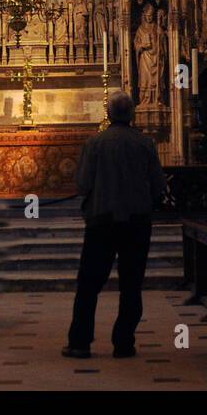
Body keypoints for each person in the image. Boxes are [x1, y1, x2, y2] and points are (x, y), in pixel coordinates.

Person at [64, 91, 169, 359]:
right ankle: (124, 343)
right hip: (136, 222)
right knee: (131, 284)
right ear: (132, 114)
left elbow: (83, 184)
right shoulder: (145, 144)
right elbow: (159, 185)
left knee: (89, 284)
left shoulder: (96, 143)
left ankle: (80, 342)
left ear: (108, 113)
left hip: (102, 220)